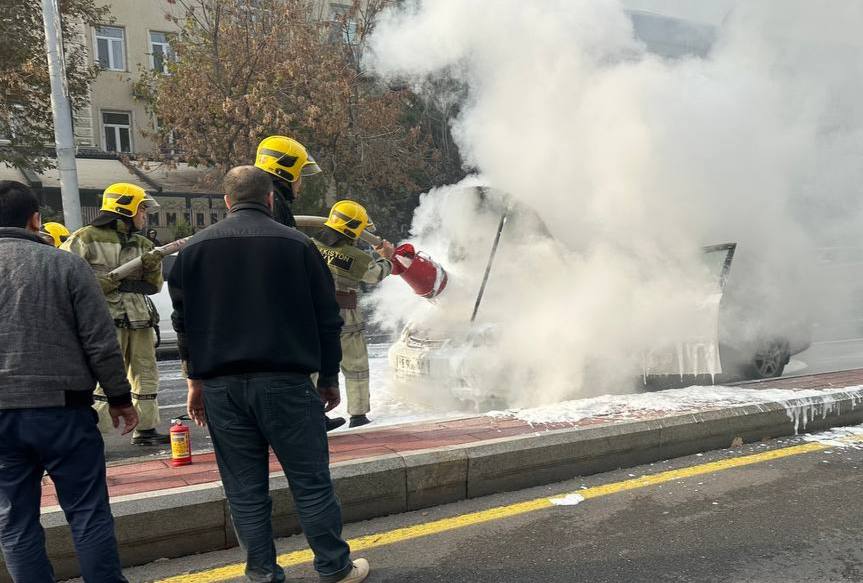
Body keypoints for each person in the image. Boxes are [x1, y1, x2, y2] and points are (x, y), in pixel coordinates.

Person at [169, 166, 368, 583]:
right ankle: (334, 567)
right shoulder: (297, 245)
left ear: (226, 202)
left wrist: (194, 381)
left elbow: (183, 323)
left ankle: (261, 574)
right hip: (286, 383)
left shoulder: (192, 250)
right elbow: (326, 318)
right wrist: (329, 377)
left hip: (222, 389)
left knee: (244, 489)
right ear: (271, 199)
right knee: (310, 482)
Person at [0, 180, 138, 583]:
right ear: (35, 219)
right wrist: (119, 397)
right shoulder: (65, 265)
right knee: (87, 512)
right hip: (63, 412)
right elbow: (101, 342)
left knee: (15, 520)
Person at [62, 183, 169, 446]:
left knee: (145, 372)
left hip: (139, 317)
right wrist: (100, 282)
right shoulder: (85, 238)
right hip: (104, 318)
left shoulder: (144, 244)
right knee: (104, 375)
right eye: (142, 209)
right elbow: (64, 273)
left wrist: (153, 268)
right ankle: (94, 432)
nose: (145, 215)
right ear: (126, 208)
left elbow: (153, 287)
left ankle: (146, 428)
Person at [254, 134, 346, 431]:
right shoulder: (274, 204)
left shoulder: (265, 200)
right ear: (285, 170)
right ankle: (306, 417)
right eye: (298, 176)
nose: (300, 184)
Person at [313, 200, 395, 428]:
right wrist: (386, 257)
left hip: (312, 312)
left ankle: (313, 412)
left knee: (313, 365)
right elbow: (376, 275)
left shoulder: (309, 244)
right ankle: (358, 415)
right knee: (355, 365)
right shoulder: (356, 257)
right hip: (345, 315)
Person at [253, 134, 321, 228]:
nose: (300, 183)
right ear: (286, 173)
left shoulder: (252, 193)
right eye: (299, 175)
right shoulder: (274, 201)